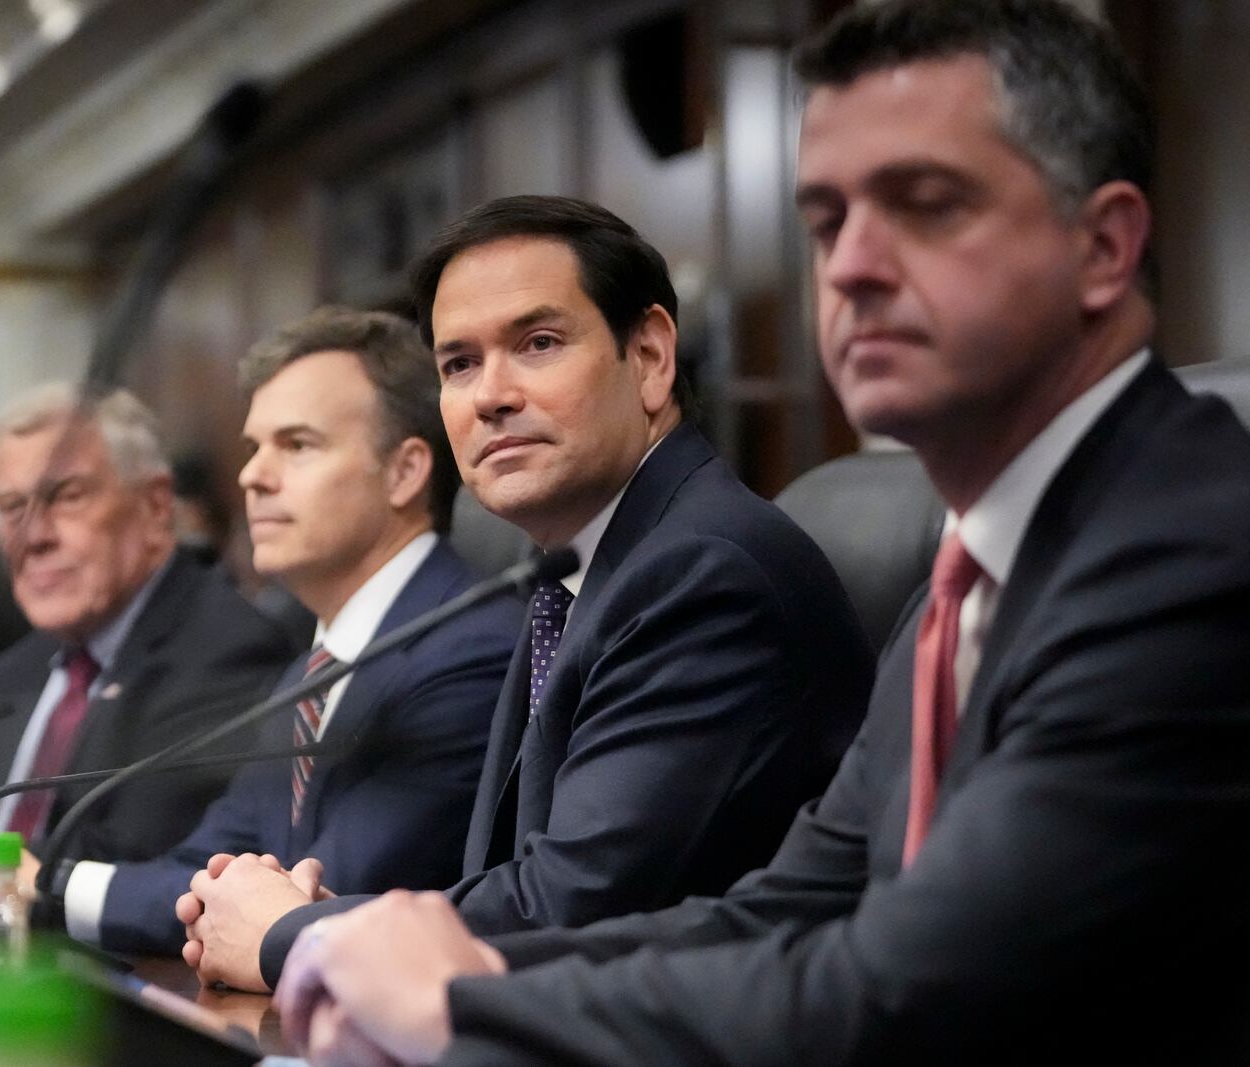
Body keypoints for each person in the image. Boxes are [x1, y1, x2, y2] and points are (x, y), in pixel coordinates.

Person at [271, 3, 1250, 1064]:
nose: (852, 268)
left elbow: (898, 989)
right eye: (827, 223)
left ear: (1103, 247)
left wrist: (459, 1003)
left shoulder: (1192, 549)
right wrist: (460, 972)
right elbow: (780, 907)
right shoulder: (960, 582)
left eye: (924, 205)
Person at [180, 196, 874, 992]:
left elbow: (572, 904)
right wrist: (345, 927)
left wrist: (293, 937)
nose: (490, 396)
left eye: (538, 343)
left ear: (649, 357)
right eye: (459, 364)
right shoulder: (574, 568)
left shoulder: (703, 571)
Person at [49, 307, 522, 953]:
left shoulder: (470, 652)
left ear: (406, 471)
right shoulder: (310, 671)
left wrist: (45, 885)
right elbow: (205, 864)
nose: (252, 475)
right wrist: (50, 883)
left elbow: (313, 900)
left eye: (296, 444)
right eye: (253, 447)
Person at [0, 383, 294, 874]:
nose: (33, 537)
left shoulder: (229, 653)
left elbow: (140, 862)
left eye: (66, 497)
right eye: (12, 509)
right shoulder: (7, 675)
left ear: (156, 507)